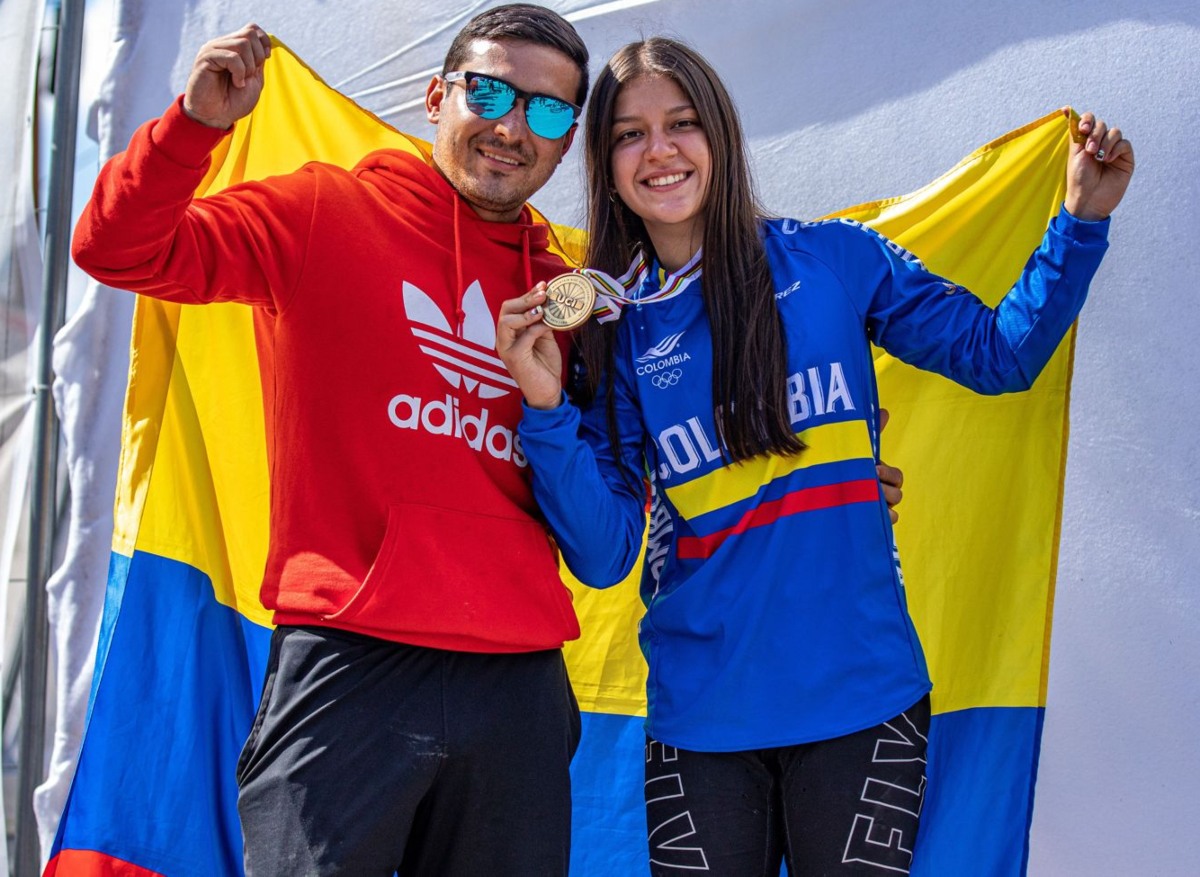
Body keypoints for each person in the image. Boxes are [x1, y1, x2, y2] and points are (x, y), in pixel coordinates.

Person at [496, 37, 1133, 876]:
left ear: (720, 135)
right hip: (703, 722)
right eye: (629, 134)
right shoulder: (615, 331)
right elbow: (604, 552)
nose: (659, 150)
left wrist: (1080, 221)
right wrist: (546, 411)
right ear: (605, 166)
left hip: (863, 701)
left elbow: (998, 355)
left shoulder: (836, 258)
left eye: (682, 123)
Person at [71, 6, 594, 876]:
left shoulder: (567, 294)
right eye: (489, 93)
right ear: (438, 98)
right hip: (348, 666)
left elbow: (602, 518)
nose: (511, 127)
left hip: (518, 685)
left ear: (567, 140)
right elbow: (119, 250)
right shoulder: (324, 209)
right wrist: (194, 126)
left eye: (544, 110)